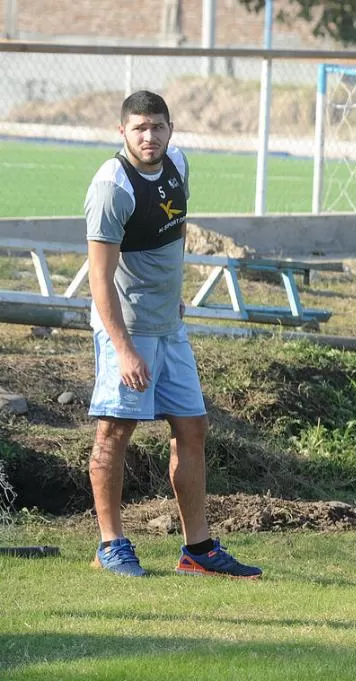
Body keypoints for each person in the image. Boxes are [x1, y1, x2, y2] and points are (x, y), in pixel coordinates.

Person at [84, 90, 261, 578]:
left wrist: (174, 294)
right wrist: (122, 349)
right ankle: (111, 544)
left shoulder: (178, 165)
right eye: (139, 128)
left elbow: (173, 231)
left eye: (157, 126)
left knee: (192, 427)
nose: (149, 136)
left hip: (169, 325)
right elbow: (100, 277)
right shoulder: (112, 187)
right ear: (122, 132)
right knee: (114, 432)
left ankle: (197, 550)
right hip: (128, 329)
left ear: (170, 130)